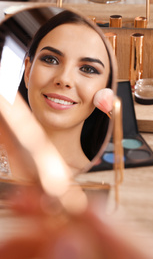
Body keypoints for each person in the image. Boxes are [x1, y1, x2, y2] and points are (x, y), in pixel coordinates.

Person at [20, 10, 113, 172]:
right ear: (28, 72)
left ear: (105, 89)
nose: (64, 79)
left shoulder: (103, 179)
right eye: (51, 59)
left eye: (88, 69)